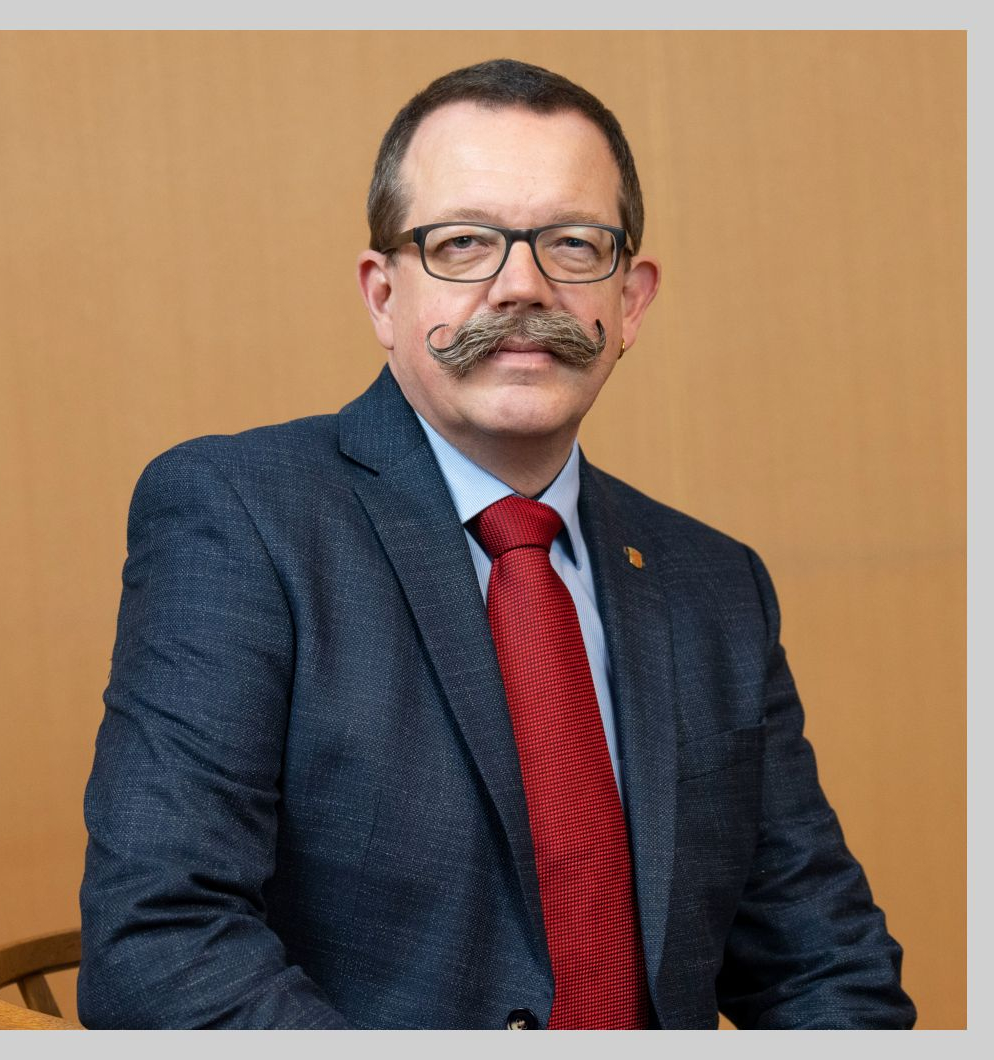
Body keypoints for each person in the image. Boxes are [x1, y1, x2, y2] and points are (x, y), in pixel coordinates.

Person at [78, 58, 916, 1030]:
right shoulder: (242, 516)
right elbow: (159, 939)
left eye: (573, 243)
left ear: (631, 301)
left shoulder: (714, 582)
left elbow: (828, 968)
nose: (522, 286)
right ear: (382, 296)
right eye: (464, 243)